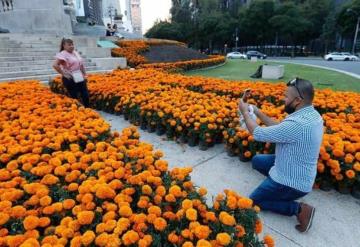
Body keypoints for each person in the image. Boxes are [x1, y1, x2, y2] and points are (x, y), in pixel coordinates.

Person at [238, 78, 323, 233]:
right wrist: (255, 111)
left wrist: (245, 111)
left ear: (297, 100)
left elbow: (258, 133)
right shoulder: (310, 114)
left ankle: (299, 209)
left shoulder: (298, 124)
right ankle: (276, 188)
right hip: (292, 166)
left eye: (286, 97)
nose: (283, 99)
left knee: (255, 201)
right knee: (257, 160)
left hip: (292, 181)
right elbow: (280, 127)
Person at [53, 38, 90, 108]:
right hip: (70, 78)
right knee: (74, 97)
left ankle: (87, 109)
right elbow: (55, 65)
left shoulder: (75, 52)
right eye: (69, 45)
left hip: (79, 76)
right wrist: (64, 74)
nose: (72, 46)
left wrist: (84, 74)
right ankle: (77, 112)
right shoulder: (63, 54)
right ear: (64, 46)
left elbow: (81, 64)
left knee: (85, 94)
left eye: (72, 44)